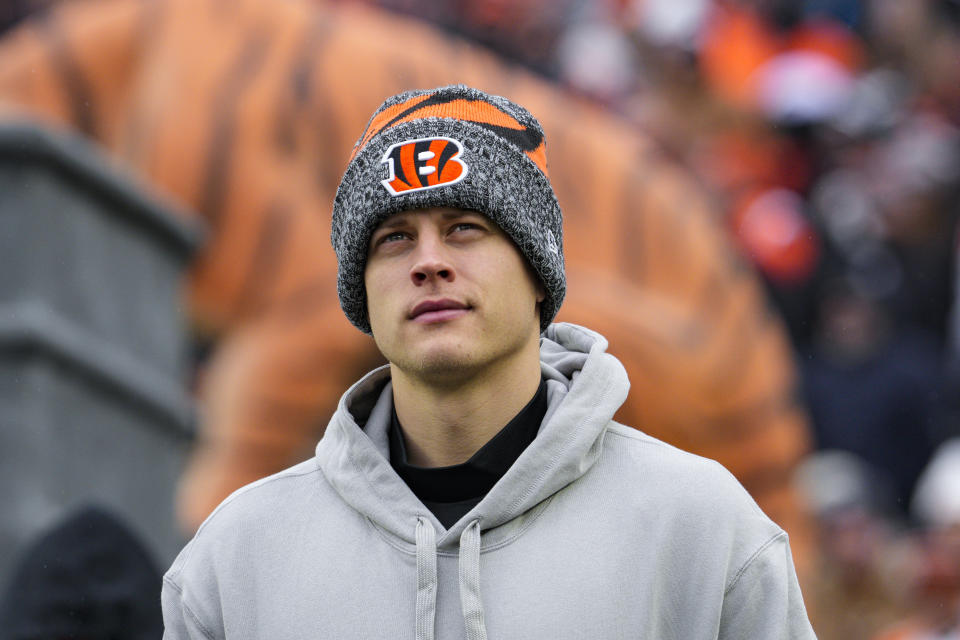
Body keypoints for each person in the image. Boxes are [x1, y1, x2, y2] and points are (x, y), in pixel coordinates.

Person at [161, 85, 815, 639]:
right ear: (362, 294)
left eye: (464, 228)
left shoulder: (699, 524)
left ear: (538, 273)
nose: (428, 261)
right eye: (393, 239)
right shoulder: (237, 553)